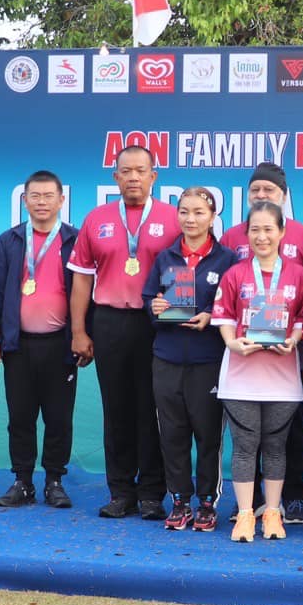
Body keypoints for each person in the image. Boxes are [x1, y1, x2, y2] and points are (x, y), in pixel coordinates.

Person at [69, 145, 180, 519]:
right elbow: (82, 280)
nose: (133, 177)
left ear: (153, 176)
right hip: (109, 321)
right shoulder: (96, 218)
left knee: (152, 408)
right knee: (116, 408)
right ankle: (120, 491)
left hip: (156, 325)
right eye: (126, 171)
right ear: (115, 177)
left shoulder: (172, 218)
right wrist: (79, 331)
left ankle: (151, 493)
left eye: (141, 171)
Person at [220, 162, 303, 523]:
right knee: (247, 437)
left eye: (269, 190)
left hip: (286, 356)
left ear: (284, 195)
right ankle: (250, 500)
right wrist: (232, 340)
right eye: (255, 190)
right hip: (244, 358)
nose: (262, 195)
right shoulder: (233, 236)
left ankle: (290, 498)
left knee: (288, 433)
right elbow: (227, 298)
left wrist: (299, 343)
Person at [0, 171, 80, 509]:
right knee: (20, 416)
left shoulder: (75, 241)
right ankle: (22, 481)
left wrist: (84, 335)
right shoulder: (8, 241)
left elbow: (87, 292)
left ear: (61, 200)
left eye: (48, 195)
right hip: (18, 345)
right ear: (24, 200)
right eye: (34, 196)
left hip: (60, 345)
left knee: (59, 418)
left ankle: (54, 481)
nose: (41, 202)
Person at [143, 186, 235, 532]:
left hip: (207, 360)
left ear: (212, 218)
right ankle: (180, 500)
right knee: (172, 433)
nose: (190, 219)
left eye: (199, 212)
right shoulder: (165, 257)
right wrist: (154, 307)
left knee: (208, 434)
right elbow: (148, 298)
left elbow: (234, 305)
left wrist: (212, 316)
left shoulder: (227, 260)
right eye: (184, 211)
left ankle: (207, 502)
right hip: (166, 357)